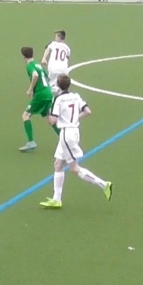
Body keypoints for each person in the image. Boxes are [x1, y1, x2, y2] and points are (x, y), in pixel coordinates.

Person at [39, 75, 113, 209]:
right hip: (73, 131)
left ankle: (104, 184)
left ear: (58, 85)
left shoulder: (58, 99)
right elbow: (88, 111)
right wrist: (75, 119)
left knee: (73, 168)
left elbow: (53, 120)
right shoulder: (76, 96)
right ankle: (56, 199)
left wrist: (46, 115)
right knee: (58, 165)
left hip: (66, 135)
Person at [19, 46, 57, 152]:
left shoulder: (30, 66)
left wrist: (30, 89)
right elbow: (46, 77)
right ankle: (65, 140)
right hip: (48, 93)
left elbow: (35, 75)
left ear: (23, 56)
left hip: (41, 95)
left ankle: (31, 142)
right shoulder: (38, 64)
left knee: (25, 116)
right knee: (50, 119)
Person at [41, 30, 71, 95]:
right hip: (63, 69)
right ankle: (63, 96)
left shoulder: (53, 43)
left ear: (59, 37)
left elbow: (48, 49)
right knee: (62, 85)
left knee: (51, 85)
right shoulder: (67, 48)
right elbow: (67, 58)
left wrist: (44, 58)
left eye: (56, 36)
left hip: (53, 68)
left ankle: (52, 98)